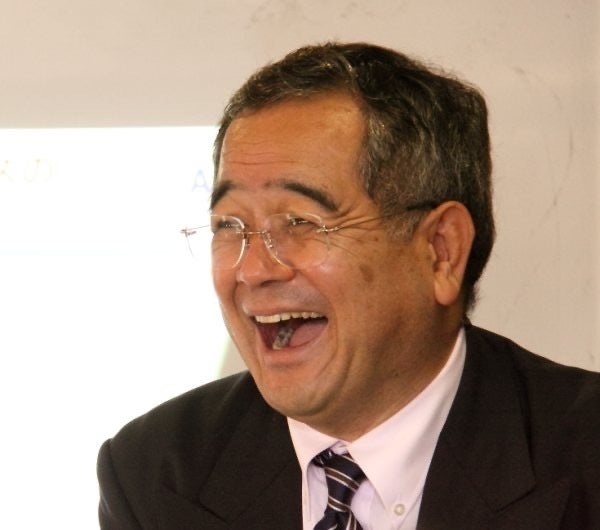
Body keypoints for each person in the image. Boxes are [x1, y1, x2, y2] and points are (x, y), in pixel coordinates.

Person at [97, 42, 600, 529]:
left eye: (300, 222)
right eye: (230, 226)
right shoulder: (157, 470)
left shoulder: (585, 456)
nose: (252, 271)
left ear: (440, 250)